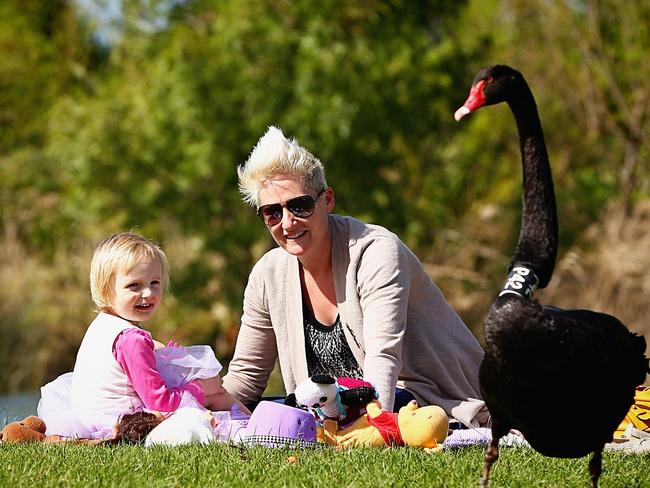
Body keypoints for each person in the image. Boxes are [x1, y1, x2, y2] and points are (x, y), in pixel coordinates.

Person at [222, 127, 489, 427]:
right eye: (272, 212)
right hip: (331, 410)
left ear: (328, 200)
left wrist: (371, 429)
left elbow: (383, 360)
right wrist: (194, 405)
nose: (287, 222)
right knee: (267, 414)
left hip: (424, 402)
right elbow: (245, 378)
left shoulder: (377, 251)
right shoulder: (267, 274)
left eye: (300, 205)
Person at [39, 232, 248, 439]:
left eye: (154, 283)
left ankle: (250, 421)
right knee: (215, 391)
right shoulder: (130, 339)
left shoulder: (103, 324)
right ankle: (255, 428)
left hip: (94, 414)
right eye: (134, 286)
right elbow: (159, 402)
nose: (148, 293)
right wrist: (199, 388)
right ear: (105, 289)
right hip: (129, 423)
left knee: (208, 388)